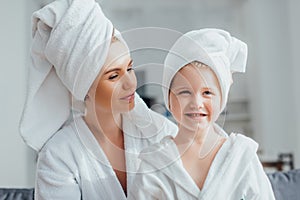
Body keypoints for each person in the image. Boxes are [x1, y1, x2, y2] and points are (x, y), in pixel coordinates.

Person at [19, 0, 177, 199]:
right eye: (114, 76)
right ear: (84, 88)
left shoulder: (161, 134)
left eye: (129, 68)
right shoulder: (58, 156)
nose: (130, 84)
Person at [128, 29, 275, 199]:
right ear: (168, 97)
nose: (196, 103)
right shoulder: (153, 165)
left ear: (221, 98)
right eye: (184, 92)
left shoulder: (242, 157)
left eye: (207, 93)